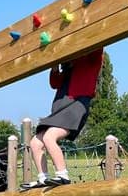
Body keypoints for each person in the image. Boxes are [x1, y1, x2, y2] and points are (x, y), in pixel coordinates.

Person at [22, 48, 104, 188]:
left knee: (49, 137)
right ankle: (43, 178)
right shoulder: (67, 66)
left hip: (76, 105)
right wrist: (55, 67)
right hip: (60, 108)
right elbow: (55, 83)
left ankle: (63, 175)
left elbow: (97, 46)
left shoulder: (90, 59)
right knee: (35, 142)